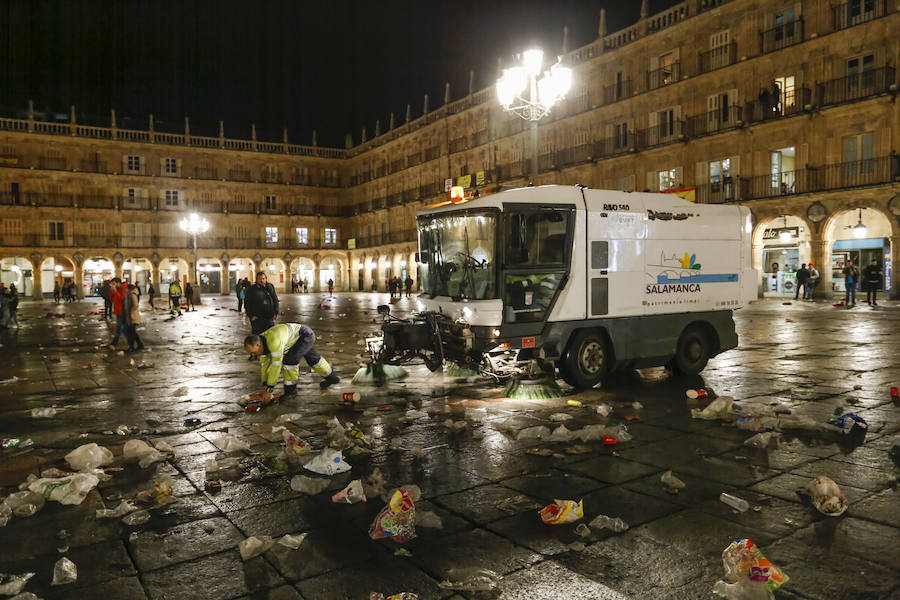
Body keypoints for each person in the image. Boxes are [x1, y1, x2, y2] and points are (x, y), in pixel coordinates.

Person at [244, 322, 340, 402]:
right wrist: (264, 385)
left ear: (259, 345)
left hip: (305, 335)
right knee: (314, 360)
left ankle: (291, 391)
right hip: (295, 340)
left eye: (253, 352)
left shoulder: (274, 342)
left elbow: (275, 367)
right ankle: (332, 378)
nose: (253, 355)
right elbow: (265, 367)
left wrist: (269, 390)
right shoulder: (262, 344)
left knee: (290, 360)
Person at [106, 278, 128, 349]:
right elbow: (112, 299)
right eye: (112, 284)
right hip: (118, 310)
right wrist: (111, 292)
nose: (113, 285)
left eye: (114, 283)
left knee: (119, 328)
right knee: (124, 329)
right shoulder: (117, 289)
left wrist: (115, 291)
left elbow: (122, 298)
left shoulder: (124, 288)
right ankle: (132, 342)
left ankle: (114, 344)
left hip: (122, 311)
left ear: (119, 283)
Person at [124, 283, 144, 351]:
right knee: (131, 332)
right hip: (130, 316)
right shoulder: (129, 295)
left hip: (133, 316)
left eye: (126, 288)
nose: (125, 290)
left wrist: (131, 312)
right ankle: (135, 345)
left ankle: (136, 345)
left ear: (129, 289)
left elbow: (135, 305)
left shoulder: (132, 295)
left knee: (132, 332)